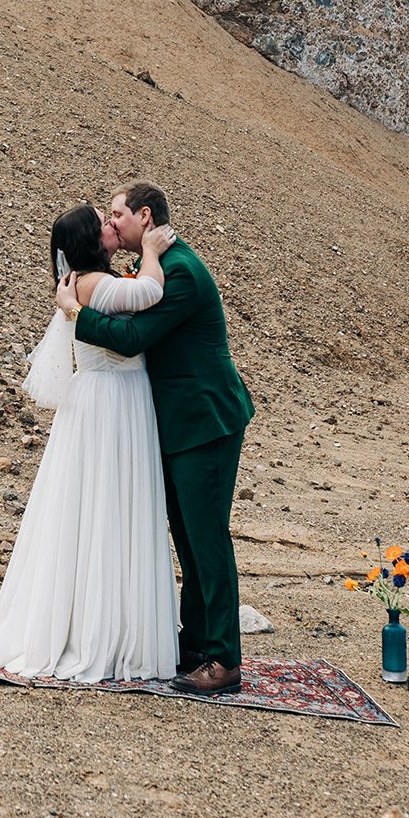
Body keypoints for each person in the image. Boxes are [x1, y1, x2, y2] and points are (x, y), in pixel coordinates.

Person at [0, 202, 179, 682]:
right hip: (112, 400)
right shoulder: (92, 284)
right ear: (89, 240)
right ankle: (102, 632)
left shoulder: (79, 285)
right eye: (102, 223)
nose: (110, 226)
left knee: (92, 506)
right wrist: (149, 249)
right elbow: (148, 291)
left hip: (101, 398)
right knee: (109, 504)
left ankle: (88, 619)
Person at [59, 181, 254, 695]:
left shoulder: (182, 274)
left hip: (204, 422)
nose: (110, 222)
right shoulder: (155, 267)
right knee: (187, 539)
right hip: (177, 424)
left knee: (207, 539)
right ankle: (194, 643)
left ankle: (225, 660)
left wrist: (75, 312)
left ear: (144, 217)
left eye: (117, 214)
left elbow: (132, 339)